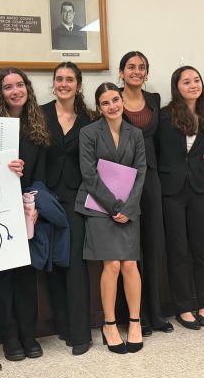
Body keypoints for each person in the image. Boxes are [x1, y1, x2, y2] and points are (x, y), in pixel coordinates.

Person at [75, 83, 147, 354]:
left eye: (115, 99)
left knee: (130, 264)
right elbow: (88, 173)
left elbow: (141, 171)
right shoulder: (89, 132)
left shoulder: (135, 134)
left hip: (129, 208)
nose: (112, 106)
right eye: (105, 103)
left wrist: (127, 207)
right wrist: (112, 205)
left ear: (122, 100)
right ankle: (109, 324)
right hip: (98, 207)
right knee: (113, 265)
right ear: (99, 107)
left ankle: (135, 322)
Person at [0, 67, 50, 360]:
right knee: (1, 277)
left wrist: (33, 205)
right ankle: (9, 337)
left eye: (19, 85)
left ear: (27, 88)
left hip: (27, 209)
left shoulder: (37, 124)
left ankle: (28, 334)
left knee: (26, 275)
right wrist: (3, 168)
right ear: (0, 93)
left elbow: (43, 172)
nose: (15, 91)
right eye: (8, 87)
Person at [157, 66, 204, 330]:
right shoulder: (164, 116)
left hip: (199, 189)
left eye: (196, 80)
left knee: (201, 249)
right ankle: (183, 306)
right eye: (186, 81)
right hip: (170, 190)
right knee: (179, 250)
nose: (193, 85)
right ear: (177, 87)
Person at [41, 62, 95, 355]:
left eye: (69, 79)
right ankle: (62, 325)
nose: (64, 83)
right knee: (53, 262)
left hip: (77, 197)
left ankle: (80, 333)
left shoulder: (89, 119)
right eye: (59, 79)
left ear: (78, 84)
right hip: (46, 195)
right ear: (53, 83)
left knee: (75, 263)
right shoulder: (39, 113)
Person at [118, 51, 173, 335]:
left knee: (153, 244)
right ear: (121, 72)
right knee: (126, 247)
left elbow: (163, 139)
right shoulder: (112, 97)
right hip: (122, 177)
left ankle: (155, 314)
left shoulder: (154, 100)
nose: (136, 71)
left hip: (151, 175)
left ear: (147, 74)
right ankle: (130, 316)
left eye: (141, 67)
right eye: (131, 67)